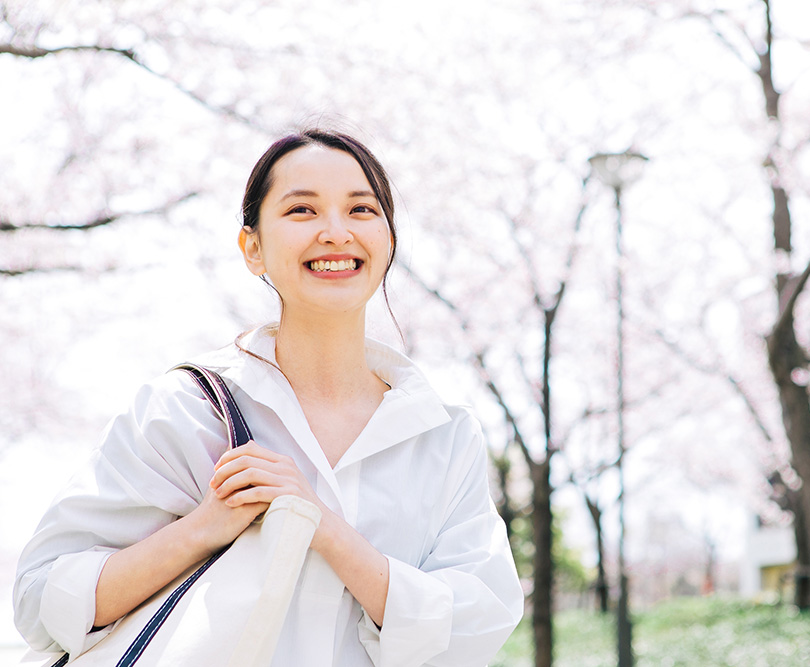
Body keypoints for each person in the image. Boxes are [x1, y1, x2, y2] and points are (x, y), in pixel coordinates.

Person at [13, 130, 524, 665]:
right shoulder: (185, 410)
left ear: (389, 241)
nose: (335, 232)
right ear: (252, 248)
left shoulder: (442, 434)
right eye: (302, 210)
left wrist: (322, 527)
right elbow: (41, 601)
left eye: (362, 210)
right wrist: (204, 528)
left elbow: (476, 625)